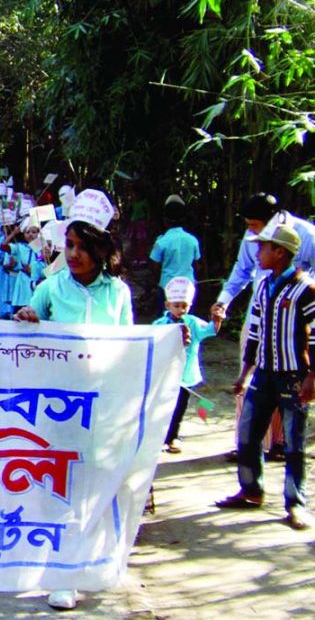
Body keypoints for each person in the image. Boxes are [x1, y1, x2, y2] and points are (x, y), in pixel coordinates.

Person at [13, 188, 131, 611]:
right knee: (57, 489)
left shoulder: (117, 293)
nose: (75, 253)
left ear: (101, 249)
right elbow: (26, 327)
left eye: (84, 246)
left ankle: (88, 565)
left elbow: (131, 350)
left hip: (100, 410)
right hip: (55, 411)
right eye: (70, 245)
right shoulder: (50, 288)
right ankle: (60, 573)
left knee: (93, 488)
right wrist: (27, 317)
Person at [215, 224, 313, 531]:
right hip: (265, 372)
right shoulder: (263, 286)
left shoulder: (305, 289)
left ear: (280, 252)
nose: (258, 253)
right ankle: (251, 489)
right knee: (248, 432)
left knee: (294, 441)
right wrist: (245, 373)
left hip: (293, 374)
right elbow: (255, 331)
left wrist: (312, 376)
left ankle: (296, 503)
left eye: (264, 248)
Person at [211, 193, 315, 462]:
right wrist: (223, 302)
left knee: (287, 379)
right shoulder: (251, 241)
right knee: (252, 378)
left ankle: (280, 444)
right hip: (259, 316)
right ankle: (245, 444)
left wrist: (296, 290)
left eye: (254, 224)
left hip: (295, 322)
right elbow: (241, 271)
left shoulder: (306, 234)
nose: (250, 231)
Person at [153, 277, 225, 453]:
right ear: (167, 305)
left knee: (179, 407)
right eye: (176, 305)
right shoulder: (160, 324)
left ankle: (173, 437)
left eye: (184, 306)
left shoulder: (192, 322)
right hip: (164, 374)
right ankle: (159, 436)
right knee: (162, 407)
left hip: (185, 375)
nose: (180, 309)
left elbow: (210, 330)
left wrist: (217, 319)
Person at [149, 195, 200, 313]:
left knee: (165, 321)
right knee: (187, 319)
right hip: (187, 287)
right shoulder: (192, 240)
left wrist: (159, 280)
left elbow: (155, 266)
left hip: (167, 286)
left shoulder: (162, 242)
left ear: (165, 220)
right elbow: (197, 264)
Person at [7, 218, 45, 312]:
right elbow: (3, 246)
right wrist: (14, 233)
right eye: (27, 232)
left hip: (38, 281)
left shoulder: (43, 248)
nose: (31, 234)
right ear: (23, 234)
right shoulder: (20, 247)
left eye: (34, 232)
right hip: (24, 282)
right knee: (21, 308)